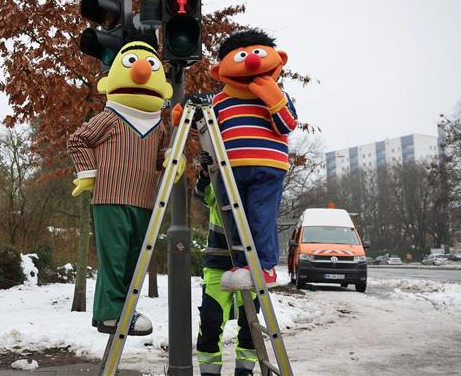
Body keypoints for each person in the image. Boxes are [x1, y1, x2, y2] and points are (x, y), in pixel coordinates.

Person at [67, 34, 183, 335]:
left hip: (145, 201)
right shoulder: (111, 117)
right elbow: (78, 139)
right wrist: (88, 172)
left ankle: (122, 310)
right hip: (112, 197)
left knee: (136, 259)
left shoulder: (158, 124)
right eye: (132, 63)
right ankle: (109, 314)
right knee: (114, 258)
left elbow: (159, 158)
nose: (142, 71)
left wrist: (173, 159)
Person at [177, 29, 298, 290]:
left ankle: (264, 266)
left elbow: (286, 125)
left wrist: (273, 98)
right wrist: (185, 116)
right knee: (234, 218)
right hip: (229, 169)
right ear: (219, 71)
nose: (252, 62)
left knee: (260, 216)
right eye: (243, 56)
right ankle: (244, 264)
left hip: (268, 167)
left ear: (279, 59)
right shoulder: (220, 101)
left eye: (257, 54)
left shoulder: (279, 96)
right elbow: (207, 126)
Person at [194, 151, 259, 376]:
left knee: (250, 327)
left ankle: (245, 372)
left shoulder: (255, 191)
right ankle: (209, 373)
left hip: (248, 265)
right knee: (211, 322)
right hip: (217, 263)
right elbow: (202, 193)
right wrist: (205, 174)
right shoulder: (219, 185)